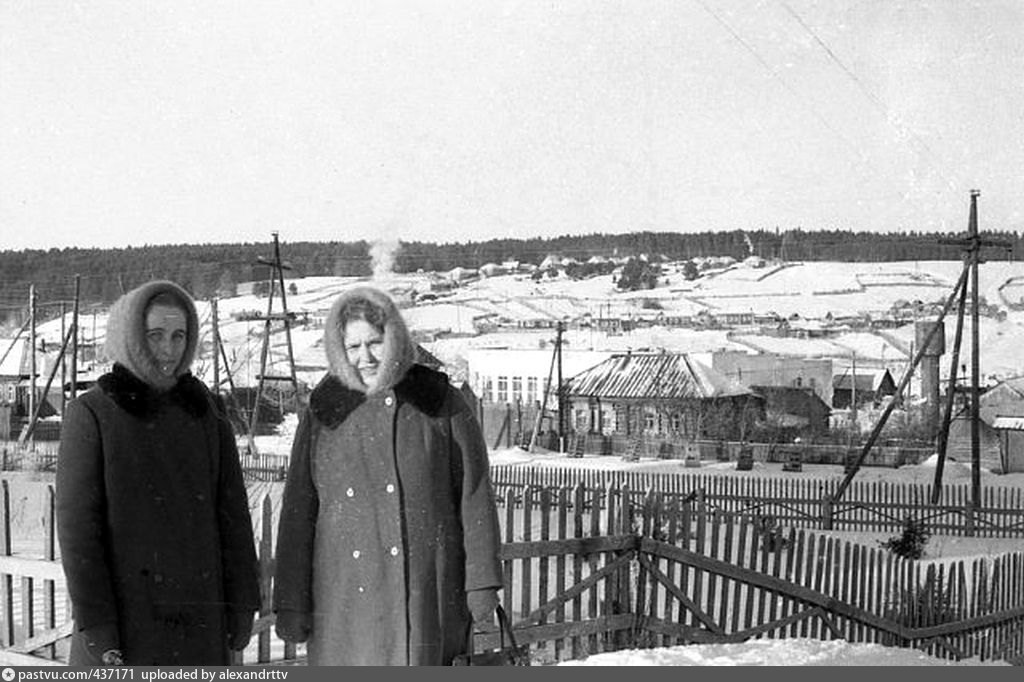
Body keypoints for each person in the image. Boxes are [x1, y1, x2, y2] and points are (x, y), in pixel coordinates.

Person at [273, 285, 503, 666]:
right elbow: (298, 512)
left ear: (394, 337)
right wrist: (291, 601)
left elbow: (474, 495)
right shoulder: (324, 411)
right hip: (344, 597)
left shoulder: (439, 401)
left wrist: (482, 581)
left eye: (375, 342)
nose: (365, 357)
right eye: (353, 347)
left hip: (428, 590)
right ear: (338, 349)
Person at [56, 280, 260, 666]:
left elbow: (233, 515)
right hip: (126, 628)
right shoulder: (94, 413)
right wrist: (98, 627)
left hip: (200, 622)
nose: (169, 350)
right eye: (155, 336)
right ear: (130, 336)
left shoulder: (206, 411)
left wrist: (241, 603)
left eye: (179, 336)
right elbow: (79, 532)